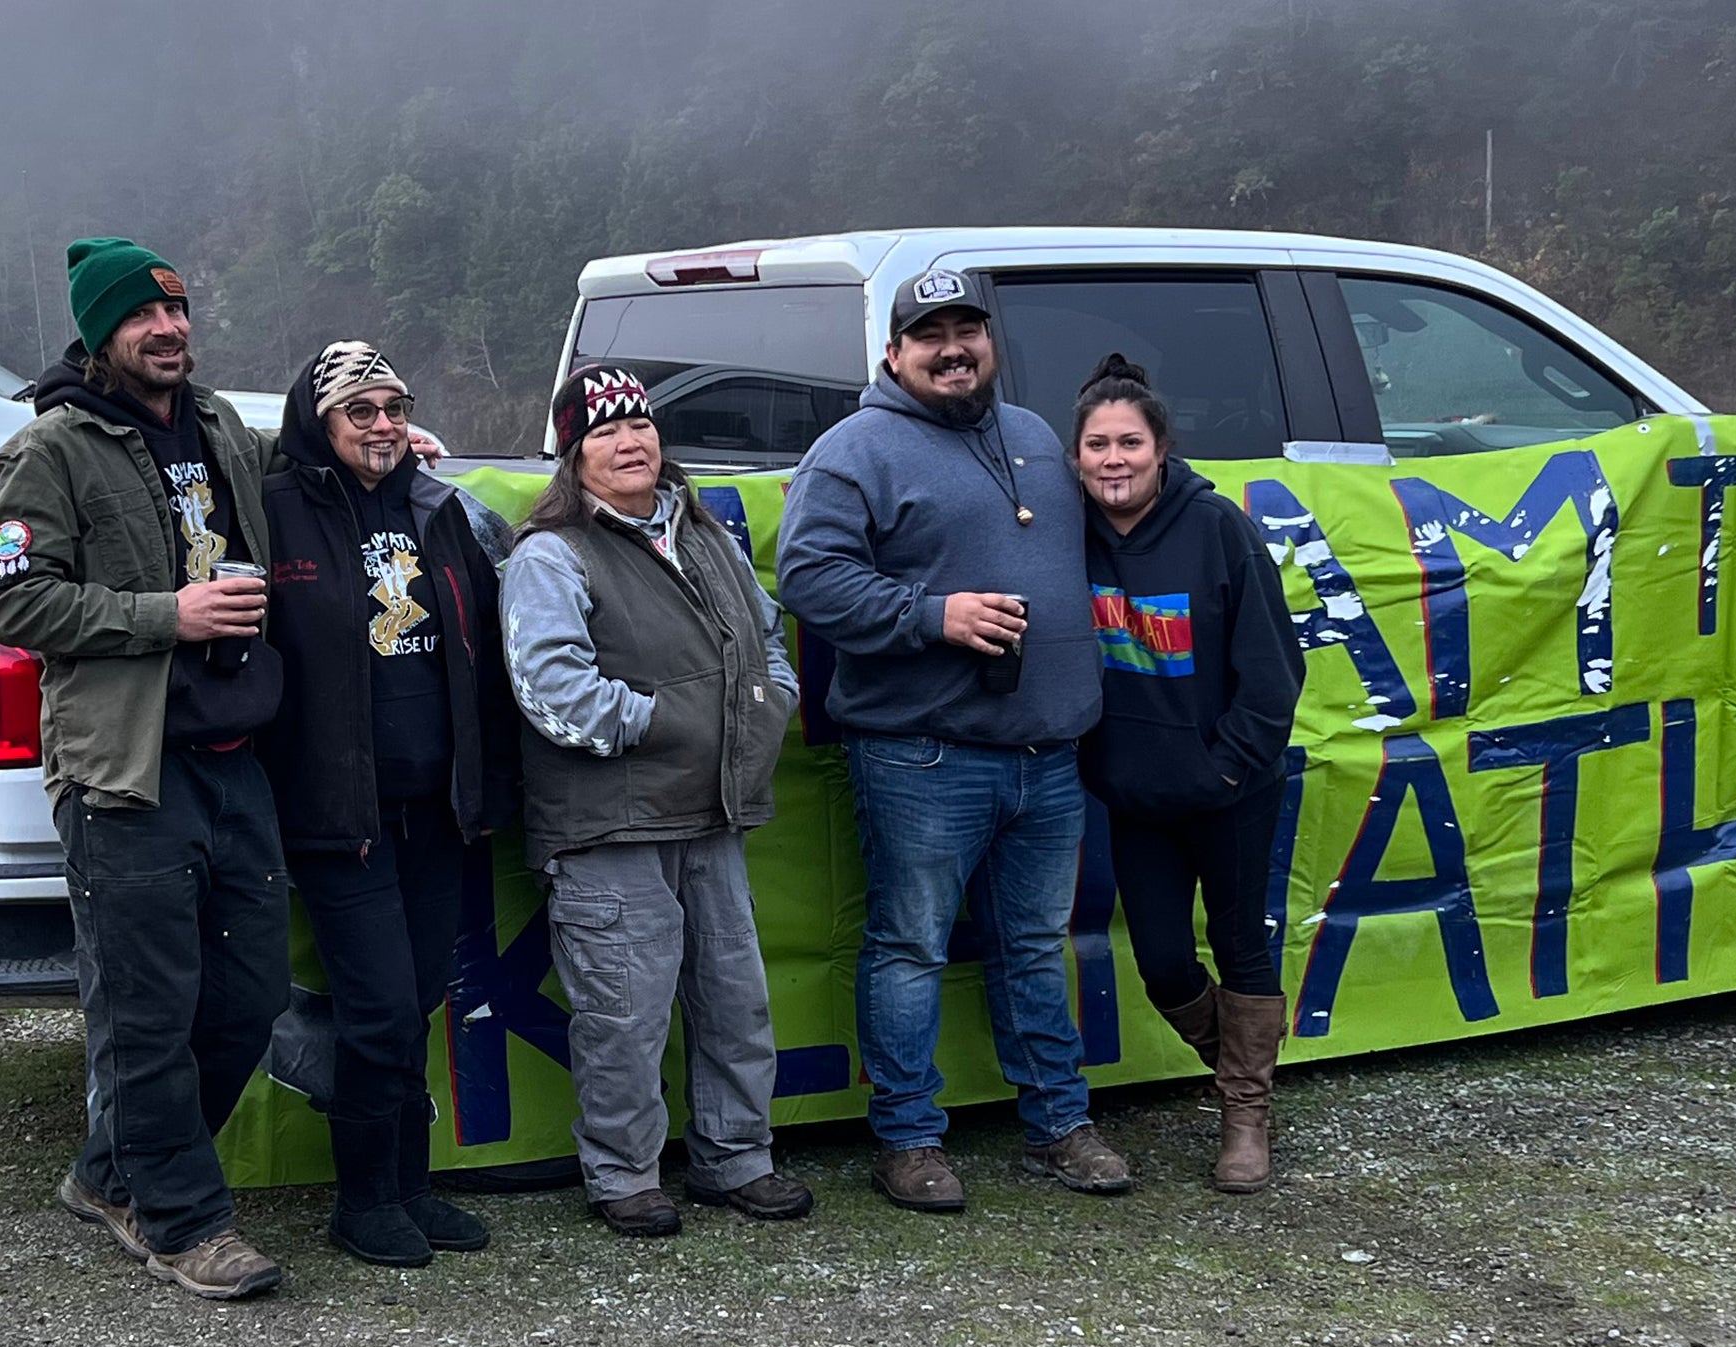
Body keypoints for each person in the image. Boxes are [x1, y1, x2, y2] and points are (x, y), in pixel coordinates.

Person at [776, 269, 1129, 1211]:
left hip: (1049, 756)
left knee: (1033, 946)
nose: (952, 348)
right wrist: (934, 616)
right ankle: (907, 1138)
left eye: (967, 328)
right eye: (928, 333)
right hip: (921, 755)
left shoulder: (1034, 435)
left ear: (990, 342)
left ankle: (1058, 1124)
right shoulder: (852, 450)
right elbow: (807, 578)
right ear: (894, 352)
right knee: (909, 948)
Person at [0, 239, 289, 1299]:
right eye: (143, 319)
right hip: (126, 771)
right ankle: (180, 1221)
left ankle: (114, 1170)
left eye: (179, 313)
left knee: (247, 1000)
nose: (169, 331)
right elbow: (15, 604)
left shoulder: (217, 428)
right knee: (146, 1010)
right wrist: (173, 615)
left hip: (234, 754)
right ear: (100, 333)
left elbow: (283, 493)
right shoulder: (49, 450)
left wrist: (370, 453)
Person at [501, 362, 812, 1238]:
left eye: (638, 423)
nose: (629, 441)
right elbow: (552, 689)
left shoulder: (704, 533)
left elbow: (766, 638)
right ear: (573, 456)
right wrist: (670, 723)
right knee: (624, 1018)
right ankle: (624, 1175)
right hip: (611, 826)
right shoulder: (550, 554)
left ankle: (736, 1159)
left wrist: (767, 704)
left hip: (713, 814)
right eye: (603, 432)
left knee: (734, 1001)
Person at [255, 342, 518, 1266]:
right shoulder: (278, 506)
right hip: (341, 811)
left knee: (416, 1002)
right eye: (358, 411)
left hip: (438, 806)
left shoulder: (436, 505)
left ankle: (413, 1185)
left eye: (393, 406)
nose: (381, 425)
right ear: (318, 423)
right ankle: (363, 1200)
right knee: (373, 1009)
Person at [1070, 353, 1305, 1193]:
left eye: (1130, 442)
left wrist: (1228, 767)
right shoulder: (1071, 534)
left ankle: (1246, 1116)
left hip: (1232, 789)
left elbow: (1274, 671)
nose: (1114, 460)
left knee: (1242, 946)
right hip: (1135, 795)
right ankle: (1241, 1068)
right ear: (1075, 458)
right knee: (1164, 961)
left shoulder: (1218, 529)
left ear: (1162, 449)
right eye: (1096, 445)